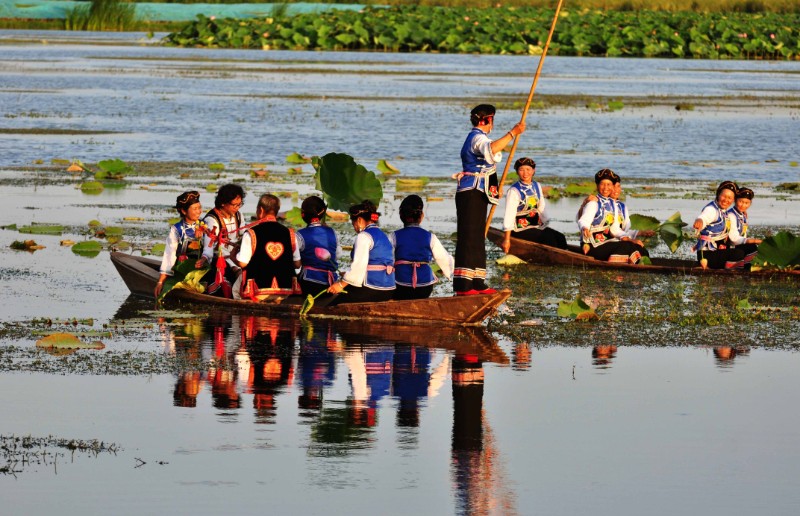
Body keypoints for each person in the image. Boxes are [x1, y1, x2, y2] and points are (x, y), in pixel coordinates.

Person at [453, 104, 525, 296]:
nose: (493, 123)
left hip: (479, 192)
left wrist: (493, 190)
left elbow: (489, 162)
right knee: (469, 237)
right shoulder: (476, 138)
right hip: (470, 191)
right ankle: (464, 286)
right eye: (492, 119)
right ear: (487, 120)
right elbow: (491, 149)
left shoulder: (481, 138)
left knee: (478, 236)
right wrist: (513, 133)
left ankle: (477, 282)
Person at [234, 193, 301, 300]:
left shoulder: (251, 233)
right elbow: (297, 264)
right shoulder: (290, 233)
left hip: (259, 291)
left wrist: (233, 257)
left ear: (260, 210)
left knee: (235, 290)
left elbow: (243, 263)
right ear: (276, 210)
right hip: (284, 291)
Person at [327, 200, 395, 303]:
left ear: (359, 220)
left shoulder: (363, 236)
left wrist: (340, 284)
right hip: (389, 289)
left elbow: (359, 267)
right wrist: (347, 276)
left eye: (353, 222)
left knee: (333, 299)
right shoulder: (384, 236)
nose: (353, 226)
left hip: (372, 288)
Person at [577, 169, 649, 264]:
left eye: (609, 184)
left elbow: (614, 229)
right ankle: (615, 266)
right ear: (597, 186)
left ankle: (640, 264)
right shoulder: (594, 202)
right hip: (592, 246)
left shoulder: (613, 204)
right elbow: (584, 220)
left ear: (612, 186)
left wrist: (628, 239)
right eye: (602, 184)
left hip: (606, 243)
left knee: (639, 248)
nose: (606, 187)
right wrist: (585, 228)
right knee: (626, 246)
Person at [391, 194, 454, 300]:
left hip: (401, 286)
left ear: (401, 215)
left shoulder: (394, 236)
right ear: (422, 216)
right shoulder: (430, 237)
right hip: (425, 287)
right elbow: (444, 259)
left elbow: (387, 259)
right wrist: (448, 272)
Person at [501, 157, 567, 253]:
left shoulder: (537, 185)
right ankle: (554, 259)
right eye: (521, 170)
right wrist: (506, 239)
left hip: (535, 225)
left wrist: (545, 223)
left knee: (560, 237)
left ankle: (566, 256)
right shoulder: (514, 191)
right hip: (519, 229)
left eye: (528, 169)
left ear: (533, 171)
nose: (525, 173)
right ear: (517, 172)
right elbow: (509, 215)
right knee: (549, 238)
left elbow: (541, 207)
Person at [198, 183, 246, 297]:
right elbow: (209, 249)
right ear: (223, 203)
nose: (237, 208)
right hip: (218, 260)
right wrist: (235, 267)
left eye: (239, 204)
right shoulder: (212, 220)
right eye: (234, 205)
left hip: (236, 257)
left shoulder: (239, 216)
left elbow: (243, 238)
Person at [155, 190, 204, 298]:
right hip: (183, 270)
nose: (199, 211)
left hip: (203, 269)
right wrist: (161, 281)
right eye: (195, 208)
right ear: (184, 211)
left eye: (199, 207)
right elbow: (170, 254)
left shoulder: (205, 226)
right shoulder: (177, 229)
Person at [692, 180, 746, 269]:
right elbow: (704, 217)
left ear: (733, 200)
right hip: (706, 256)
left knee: (745, 249)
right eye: (724, 196)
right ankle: (729, 270)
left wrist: (742, 211)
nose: (726, 200)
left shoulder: (723, 211)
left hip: (717, 251)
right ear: (718, 195)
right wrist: (700, 221)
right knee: (738, 253)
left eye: (730, 198)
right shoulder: (712, 209)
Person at [296, 195, 341, 297]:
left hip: (310, 283)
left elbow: (294, 260)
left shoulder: (299, 235)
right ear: (322, 213)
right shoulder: (332, 232)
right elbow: (337, 255)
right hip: (331, 284)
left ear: (303, 214)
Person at [726, 186, 762, 270]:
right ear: (735, 200)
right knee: (752, 247)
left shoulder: (742, 215)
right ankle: (746, 268)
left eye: (746, 203)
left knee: (752, 247)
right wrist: (753, 240)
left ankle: (748, 266)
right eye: (741, 201)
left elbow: (743, 234)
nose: (743, 205)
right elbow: (733, 238)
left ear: (750, 203)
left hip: (738, 245)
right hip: (730, 246)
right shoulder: (731, 215)